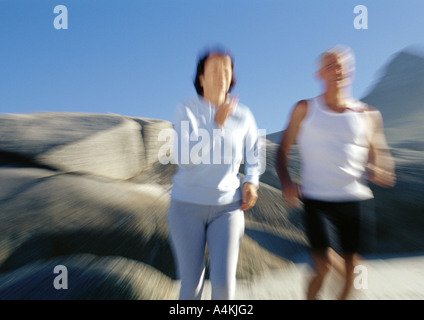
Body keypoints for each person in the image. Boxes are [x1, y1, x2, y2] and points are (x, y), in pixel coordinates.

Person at [275, 45, 396, 300]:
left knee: (353, 271)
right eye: (329, 65)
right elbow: (282, 149)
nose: (336, 70)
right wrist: (286, 181)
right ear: (319, 74)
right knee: (324, 265)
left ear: (350, 71)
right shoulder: (305, 108)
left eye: (340, 64)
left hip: (355, 199)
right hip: (317, 199)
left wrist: (379, 167)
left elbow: (380, 153)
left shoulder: (368, 114)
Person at [167, 47, 264, 300]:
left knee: (223, 285)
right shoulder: (186, 109)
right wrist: (216, 125)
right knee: (192, 284)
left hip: (227, 208)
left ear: (232, 77)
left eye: (226, 68)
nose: (221, 73)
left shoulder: (244, 115)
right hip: (186, 207)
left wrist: (251, 181)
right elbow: (186, 159)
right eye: (214, 68)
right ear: (201, 77)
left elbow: (254, 153)